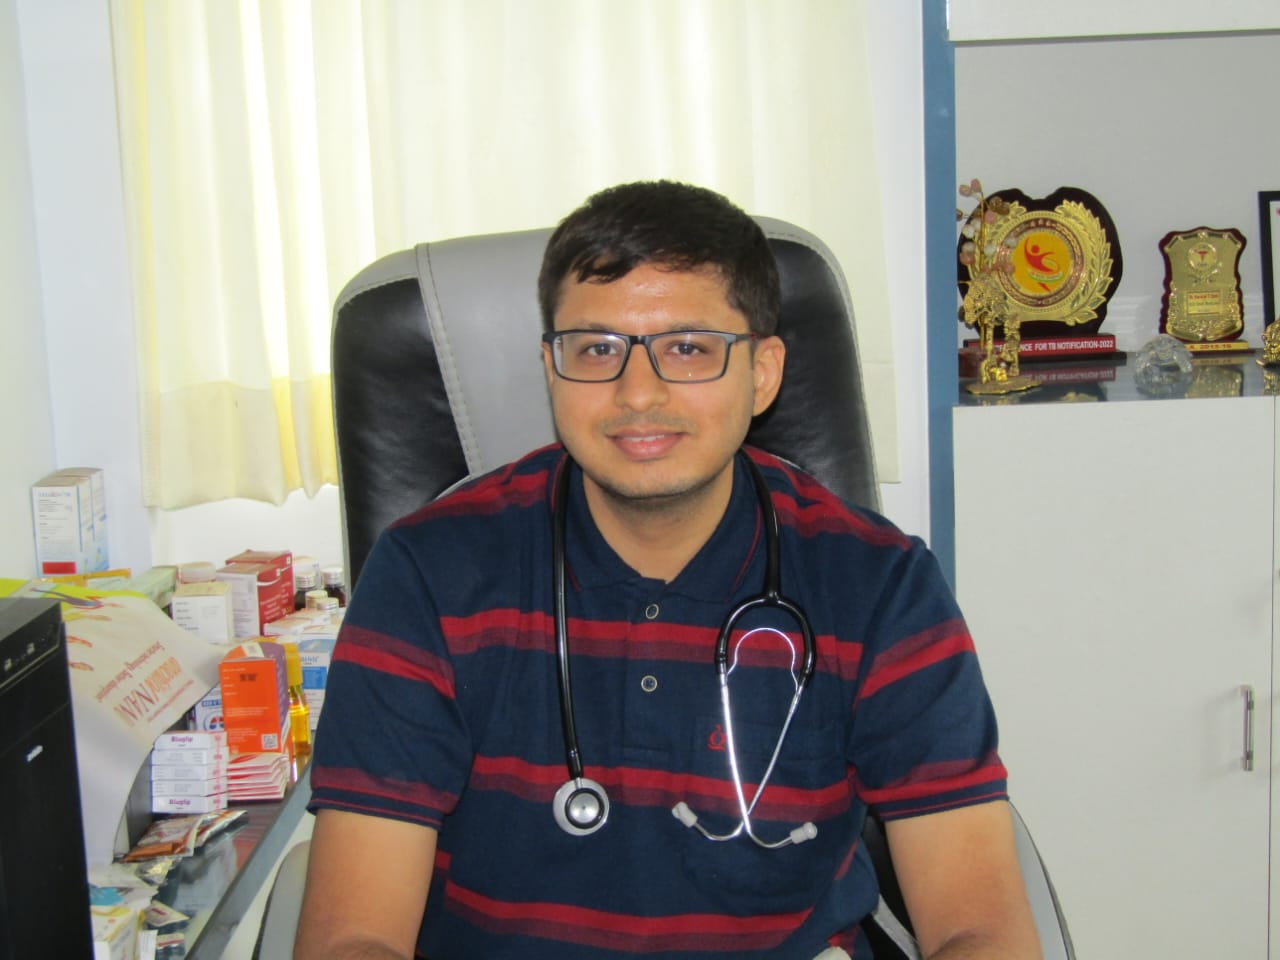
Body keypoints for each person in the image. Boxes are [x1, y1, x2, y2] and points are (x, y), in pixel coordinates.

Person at [296, 180, 1041, 960]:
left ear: (762, 372)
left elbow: (980, 928)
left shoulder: (878, 585)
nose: (638, 394)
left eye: (687, 348)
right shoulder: (428, 575)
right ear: (552, 370)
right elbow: (354, 936)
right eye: (596, 349)